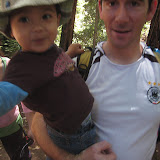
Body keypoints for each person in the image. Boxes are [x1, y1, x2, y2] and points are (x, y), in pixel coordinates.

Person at [31, 0, 160, 159]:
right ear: (100, 8)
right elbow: (38, 122)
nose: (121, 18)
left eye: (134, 3)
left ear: (151, 9)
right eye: (112, 3)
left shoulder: (157, 68)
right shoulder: (80, 66)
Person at [0, 0, 116, 160]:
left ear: (57, 19)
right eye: (24, 20)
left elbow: (52, 70)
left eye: (46, 16)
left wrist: (69, 53)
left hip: (80, 125)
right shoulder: (22, 67)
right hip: (73, 135)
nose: (38, 27)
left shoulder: (46, 50)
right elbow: (6, 94)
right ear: (10, 30)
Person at [0, 54, 34, 159]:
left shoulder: (9, 65)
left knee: (21, 157)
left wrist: (32, 126)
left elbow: (25, 97)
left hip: (12, 126)